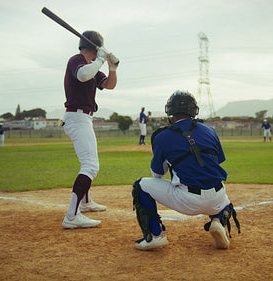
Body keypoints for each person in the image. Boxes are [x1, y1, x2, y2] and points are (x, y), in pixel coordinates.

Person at [131, 90, 240, 251]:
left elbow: (157, 174)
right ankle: (218, 221)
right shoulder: (210, 130)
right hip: (217, 197)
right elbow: (217, 161)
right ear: (194, 110)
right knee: (223, 200)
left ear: (170, 112)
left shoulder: (162, 136)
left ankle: (155, 236)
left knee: (140, 185)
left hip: (188, 201)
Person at [60, 30, 119, 229]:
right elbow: (83, 75)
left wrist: (112, 67)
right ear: (95, 48)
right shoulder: (76, 60)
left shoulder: (92, 66)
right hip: (76, 117)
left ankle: (85, 202)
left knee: (89, 162)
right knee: (90, 166)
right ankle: (72, 216)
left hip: (84, 118)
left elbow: (109, 85)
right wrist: (100, 60)